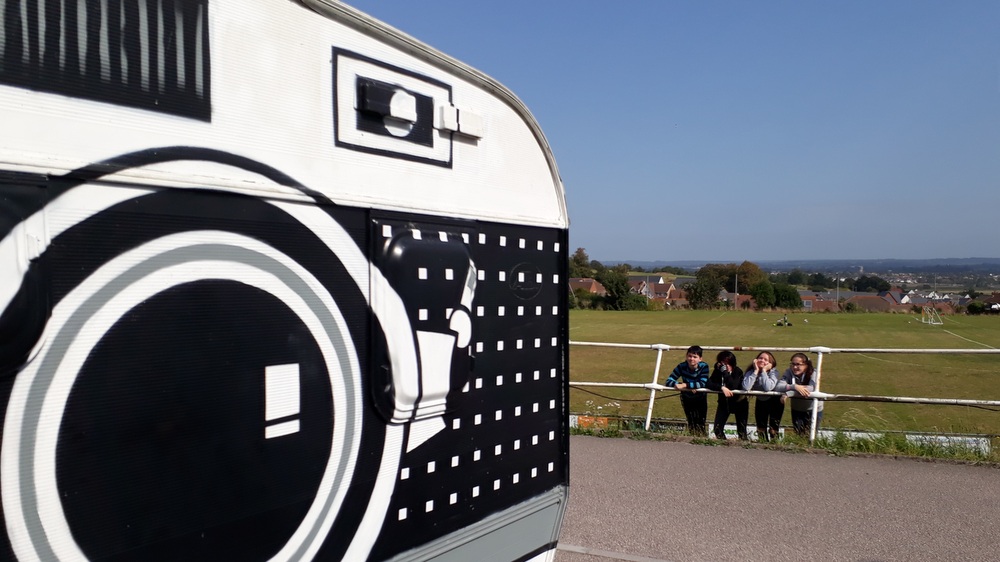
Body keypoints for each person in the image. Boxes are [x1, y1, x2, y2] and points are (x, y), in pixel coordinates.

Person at [664, 345, 710, 435]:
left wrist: (686, 385)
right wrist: (680, 385)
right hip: (687, 397)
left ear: (700, 359)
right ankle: (693, 437)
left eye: (695, 357)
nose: (691, 359)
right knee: (691, 421)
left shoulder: (704, 367)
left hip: (700, 397)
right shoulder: (682, 366)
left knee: (701, 421)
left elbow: (703, 383)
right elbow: (668, 381)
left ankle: (701, 438)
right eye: (689, 356)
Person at [775, 353, 823, 436]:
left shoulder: (814, 372)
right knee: (799, 434)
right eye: (793, 364)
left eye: (798, 364)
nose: (794, 367)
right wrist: (794, 386)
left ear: (806, 365)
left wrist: (789, 393)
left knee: (811, 435)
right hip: (797, 408)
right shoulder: (789, 372)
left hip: (814, 408)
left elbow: (812, 388)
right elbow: (778, 387)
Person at [706, 350, 747, 440]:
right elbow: (708, 383)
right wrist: (721, 387)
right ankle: (725, 446)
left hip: (739, 403)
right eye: (723, 363)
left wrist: (725, 373)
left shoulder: (737, 371)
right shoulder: (717, 372)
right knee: (717, 429)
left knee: (742, 432)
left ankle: (744, 449)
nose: (726, 366)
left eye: (728, 363)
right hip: (723, 403)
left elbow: (733, 386)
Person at [742, 351, 780, 441]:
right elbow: (746, 387)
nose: (762, 360)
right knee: (761, 428)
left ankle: (775, 447)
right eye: (760, 358)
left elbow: (768, 387)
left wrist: (763, 371)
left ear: (770, 363)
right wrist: (755, 371)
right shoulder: (751, 371)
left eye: (766, 359)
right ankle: (763, 446)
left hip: (775, 401)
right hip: (761, 401)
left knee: (773, 429)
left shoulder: (774, 372)